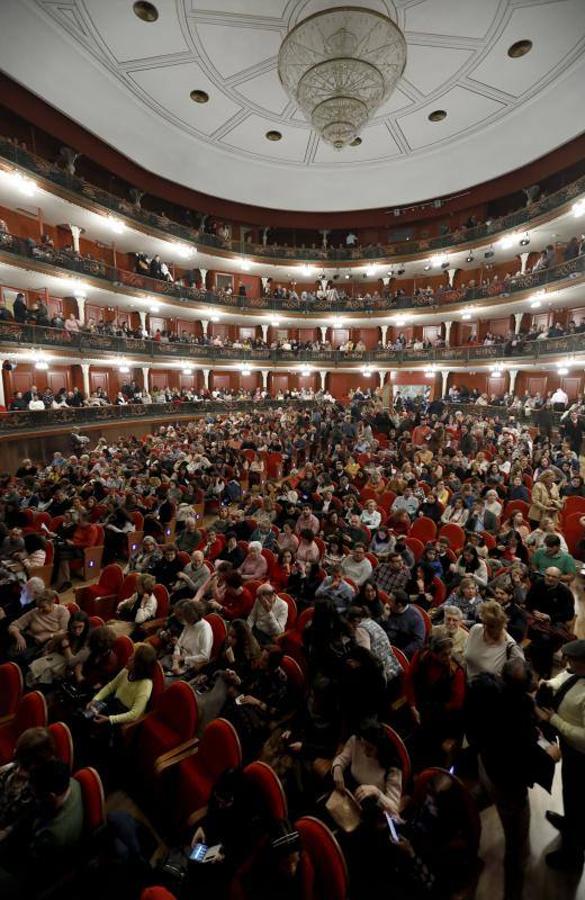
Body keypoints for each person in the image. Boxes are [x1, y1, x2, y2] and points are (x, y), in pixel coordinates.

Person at [474, 658, 559, 893]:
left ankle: (467, 821)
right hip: (507, 783)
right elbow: (523, 760)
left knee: (484, 793)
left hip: (485, 763)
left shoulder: (489, 691)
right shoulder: (517, 721)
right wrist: (549, 755)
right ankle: (513, 890)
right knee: (517, 844)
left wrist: (531, 706)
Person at [0, 759, 84, 897]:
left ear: (50, 796)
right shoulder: (70, 783)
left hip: (33, 873)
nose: (33, 796)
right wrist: (8, 830)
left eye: (35, 794)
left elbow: (29, 867)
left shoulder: (54, 835)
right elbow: (35, 808)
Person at [536, 639, 585, 870]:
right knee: (570, 792)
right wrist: (550, 684)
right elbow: (563, 678)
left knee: (579, 799)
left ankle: (572, 856)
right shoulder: (575, 672)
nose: (567, 663)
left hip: (581, 756)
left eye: (572, 659)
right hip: (570, 750)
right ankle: (568, 821)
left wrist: (554, 720)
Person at [331, 720, 402, 817]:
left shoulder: (392, 768)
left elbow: (394, 808)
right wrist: (337, 769)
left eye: (370, 749)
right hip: (350, 793)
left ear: (381, 748)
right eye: (363, 745)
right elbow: (342, 758)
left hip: (370, 806)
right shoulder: (358, 741)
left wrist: (376, 792)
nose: (364, 752)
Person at [87, 642, 157, 725]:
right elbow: (111, 686)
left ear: (140, 666)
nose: (129, 658)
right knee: (86, 714)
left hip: (123, 715)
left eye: (132, 659)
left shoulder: (145, 685)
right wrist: (96, 699)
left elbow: (134, 714)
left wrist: (110, 719)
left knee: (92, 724)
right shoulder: (127, 670)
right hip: (114, 703)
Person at [525, 567, 575, 676]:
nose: (550, 578)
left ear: (559, 578)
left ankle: (544, 671)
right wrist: (534, 612)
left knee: (545, 640)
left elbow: (569, 614)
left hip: (554, 623)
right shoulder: (538, 584)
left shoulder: (565, 592)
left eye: (554, 577)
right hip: (535, 619)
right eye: (548, 575)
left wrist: (549, 617)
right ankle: (530, 660)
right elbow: (528, 602)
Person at [8, 590, 70, 667]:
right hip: (29, 641)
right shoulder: (35, 612)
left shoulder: (62, 611)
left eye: (43, 607)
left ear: (52, 602)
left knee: (22, 660)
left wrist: (48, 636)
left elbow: (64, 631)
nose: (40, 610)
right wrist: (19, 636)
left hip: (48, 644)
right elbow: (14, 625)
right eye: (38, 607)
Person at [464, 599, 524, 680]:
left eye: (491, 625)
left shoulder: (511, 647)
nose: (485, 628)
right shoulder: (476, 629)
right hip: (468, 684)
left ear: (501, 624)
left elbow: (520, 679)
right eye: (484, 622)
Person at [161, 599, 212, 677]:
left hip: (190, 664)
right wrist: (176, 661)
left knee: (167, 682)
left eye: (185, 617)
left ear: (191, 617)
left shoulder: (205, 629)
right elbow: (178, 644)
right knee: (157, 667)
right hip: (178, 659)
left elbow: (205, 657)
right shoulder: (189, 623)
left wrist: (184, 659)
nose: (183, 620)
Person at [383, 589, 425, 659]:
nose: (387, 602)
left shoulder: (415, 618)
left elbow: (418, 643)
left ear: (399, 605)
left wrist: (400, 654)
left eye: (390, 601)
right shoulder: (388, 610)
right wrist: (384, 618)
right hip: (385, 645)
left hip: (400, 651)